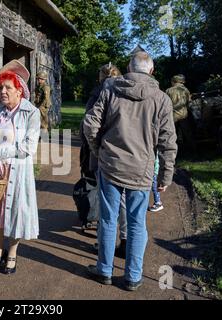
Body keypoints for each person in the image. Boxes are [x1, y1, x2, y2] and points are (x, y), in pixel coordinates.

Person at [82, 51, 177, 291]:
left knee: (108, 219)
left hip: (111, 165)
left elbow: (90, 125)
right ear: (151, 71)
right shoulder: (161, 99)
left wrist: (99, 151)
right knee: (136, 223)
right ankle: (132, 277)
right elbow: (168, 142)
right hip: (141, 170)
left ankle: (104, 270)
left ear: (129, 68)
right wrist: (165, 176)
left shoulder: (110, 88)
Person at [0, 60, 41, 275]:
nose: (3, 91)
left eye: (8, 87)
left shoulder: (31, 113)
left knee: (15, 213)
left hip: (16, 170)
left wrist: (0, 153)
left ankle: (12, 253)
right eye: (1, 87)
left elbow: (28, 147)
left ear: (19, 91)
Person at [79, 63, 127, 257]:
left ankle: (103, 244)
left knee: (105, 200)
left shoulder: (97, 94)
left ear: (100, 77)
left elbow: (87, 125)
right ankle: (125, 241)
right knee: (123, 201)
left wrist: (92, 150)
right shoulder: (127, 93)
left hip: (101, 153)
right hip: (125, 153)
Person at [166, 74, 194, 154]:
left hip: (172, 116)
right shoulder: (185, 90)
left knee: (173, 135)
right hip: (183, 115)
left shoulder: (168, 90)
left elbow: (166, 103)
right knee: (188, 134)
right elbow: (189, 102)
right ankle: (192, 152)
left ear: (174, 81)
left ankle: (174, 153)